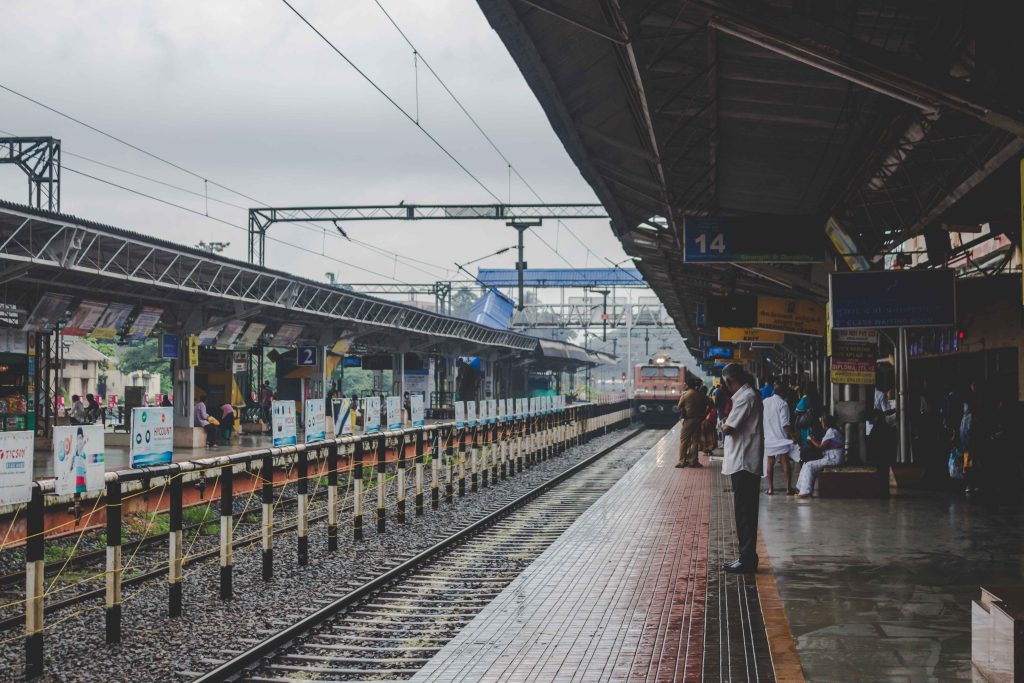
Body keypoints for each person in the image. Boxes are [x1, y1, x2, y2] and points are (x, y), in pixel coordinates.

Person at [720, 363, 763, 574]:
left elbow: (729, 427)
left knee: (744, 513)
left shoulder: (746, 397)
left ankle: (747, 560)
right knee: (745, 511)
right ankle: (747, 557)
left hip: (744, 462)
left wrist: (721, 424)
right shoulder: (748, 395)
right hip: (744, 461)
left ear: (729, 381)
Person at [796, 414, 844, 497]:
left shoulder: (831, 431)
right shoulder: (833, 430)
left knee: (809, 466)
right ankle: (801, 489)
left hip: (833, 459)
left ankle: (806, 491)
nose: (821, 423)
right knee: (806, 463)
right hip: (831, 457)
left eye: (822, 422)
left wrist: (811, 439)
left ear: (825, 423)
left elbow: (821, 446)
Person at [763, 386, 799, 495]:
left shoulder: (765, 402)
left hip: (769, 438)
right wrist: (793, 436)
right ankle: (788, 488)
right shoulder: (783, 404)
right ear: (783, 394)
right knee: (785, 461)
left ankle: (770, 489)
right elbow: (785, 424)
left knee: (770, 462)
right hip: (781, 438)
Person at [676, 375, 707, 468]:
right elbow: (706, 405)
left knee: (684, 441)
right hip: (698, 420)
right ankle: (693, 461)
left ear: (688, 385)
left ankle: (682, 461)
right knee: (695, 441)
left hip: (688, 420)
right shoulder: (700, 395)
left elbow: (679, 407)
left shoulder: (685, 395)